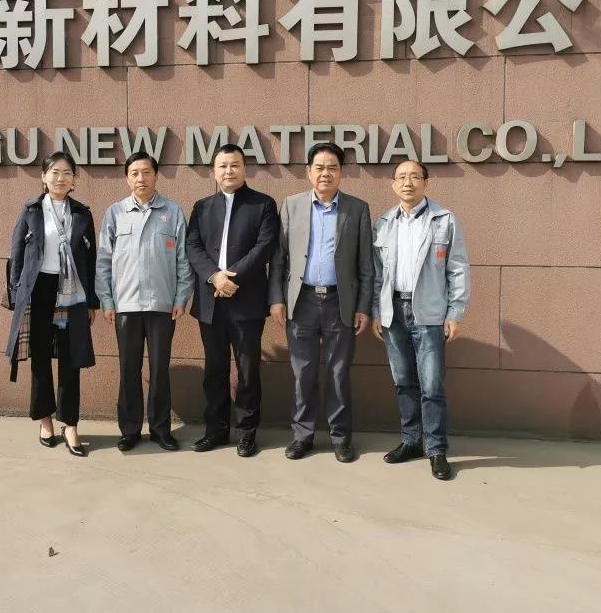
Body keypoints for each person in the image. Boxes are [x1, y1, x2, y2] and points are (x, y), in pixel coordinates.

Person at [268, 142, 373, 463]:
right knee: (304, 373)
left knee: (339, 373)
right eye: (319, 167)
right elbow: (279, 259)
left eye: (332, 168)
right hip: (301, 301)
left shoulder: (357, 209)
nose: (325, 173)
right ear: (309, 171)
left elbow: (366, 265)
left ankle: (341, 438)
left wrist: (363, 306)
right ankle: (302, 436)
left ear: (341, 172)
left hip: (341, 302)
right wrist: (277, 299)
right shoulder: (291, 205)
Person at [371, 160, 470, 481]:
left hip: (429, 312)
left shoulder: (444, 220)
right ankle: (411, 441)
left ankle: (436, 449)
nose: (407, 182)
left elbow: (457, 268)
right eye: (401, 177)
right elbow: (377, 274)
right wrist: (376, 311)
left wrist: (455, 312)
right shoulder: (384, 223)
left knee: (431, 385)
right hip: (393, 312)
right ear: (393, 184)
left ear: (426, 182)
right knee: (403, 381)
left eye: (414, 176)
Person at [95, 152, 194, 452]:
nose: (141, 178)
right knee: (129, 369)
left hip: (163, 306)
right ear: (127, 178)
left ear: (156, 175)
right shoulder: (115, 213)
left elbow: (183, 260)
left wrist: (181, 297)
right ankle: (130, 430)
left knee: (160, 370)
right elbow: (103, 261)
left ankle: (161, 430)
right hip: (125, 306)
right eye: (135, 173)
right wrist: (106, 300)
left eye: (146, 172)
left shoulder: (173, 212)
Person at [185, 143, 279, 457]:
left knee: (248, 371)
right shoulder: (202, 207)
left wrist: (231, 279)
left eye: (234, 165)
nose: (229, 171)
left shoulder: (263, 204)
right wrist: (215, 277)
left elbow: (265, 247)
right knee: (214, 370)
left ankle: (247, 432)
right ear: (214, 171)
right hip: (210, 301)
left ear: (244, 168)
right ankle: (215, 430)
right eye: (223, 166)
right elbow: (193, 247)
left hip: (246, 300)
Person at [5, 152, 100, 458]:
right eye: (55, 172)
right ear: (44, 177)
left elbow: (91, 260)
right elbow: (16, 256)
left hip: (72, 291)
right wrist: (17, 294)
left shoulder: (82, 214)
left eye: (67, 173)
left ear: (74, 180)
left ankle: (70, 424)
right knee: (41, 358)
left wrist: (92, 301)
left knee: (71, 359)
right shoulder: (31, 211)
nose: (61, 178)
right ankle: (44, 419)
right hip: (39, 291)